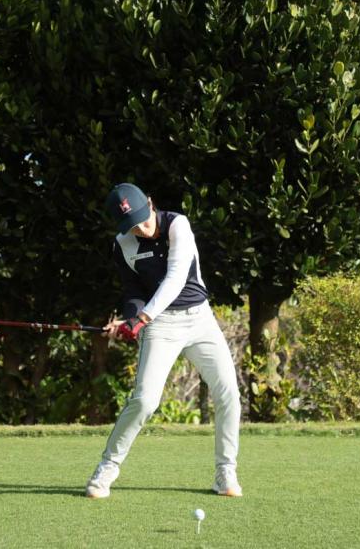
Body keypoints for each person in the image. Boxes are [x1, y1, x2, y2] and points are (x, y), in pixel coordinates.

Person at [85, 183, 242, 499]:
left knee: (229, 393)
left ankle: (225, 472)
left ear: (150, 203)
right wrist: (130, 319)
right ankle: (106, 468)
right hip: (161, 326)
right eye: (132, 225)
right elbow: (133, 293)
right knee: (144, 400)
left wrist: (141, 319)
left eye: (143, 220)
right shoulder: (123, 244)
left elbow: (176, 279)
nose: (141, 229)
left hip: (199, 320)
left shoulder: (177, 225)